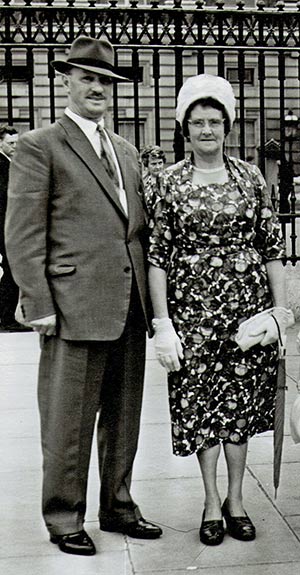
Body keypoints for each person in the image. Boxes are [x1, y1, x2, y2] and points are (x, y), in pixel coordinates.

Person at [5, 35, 162, 557]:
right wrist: (39, 302)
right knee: (68, 420)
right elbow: (23, 233)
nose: (97, 88)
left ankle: (117, 505)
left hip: (128, 306)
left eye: (105, 81)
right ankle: (64, 515)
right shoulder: (39, 146)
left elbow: (134, 230)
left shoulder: (125, 150)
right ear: (65, 80)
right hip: (71, 307)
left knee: (123, 416)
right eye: (87, 77)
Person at [148, 74, 293, 546]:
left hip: (245, 315)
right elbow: (157, 257)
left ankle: (236, 499)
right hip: (192, 314)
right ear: (184, 129)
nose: (207, 130)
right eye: (198, 122)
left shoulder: (249, 177)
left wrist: (281, 312)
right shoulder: (167, 183)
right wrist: (163, 323)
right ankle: (210, 501)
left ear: (228, 127)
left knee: (239, 407)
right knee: (201, 407)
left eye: (215, 121)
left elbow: (271, 247)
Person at [0, 125, 27, 331]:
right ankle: (6, 317)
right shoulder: (2, 165)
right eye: (11, 143)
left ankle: (6, 315)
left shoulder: (11, 162)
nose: (15, 146)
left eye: (17, 142)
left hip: (9, 225)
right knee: (13, 270)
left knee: (12, 270)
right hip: (5, 226)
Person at [141, 144, 166, 215]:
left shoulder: (168, 180)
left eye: (160, 163)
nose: (158, 167)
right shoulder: (142, 182)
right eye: (154, 164)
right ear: (147, 164)